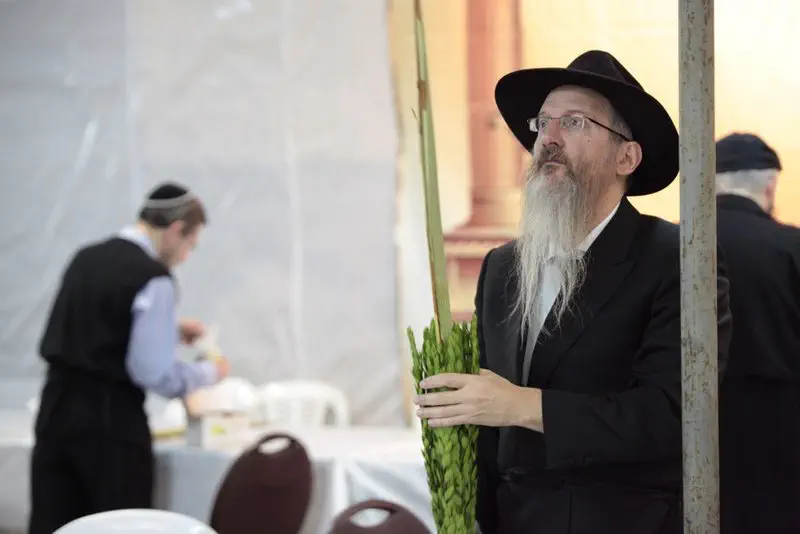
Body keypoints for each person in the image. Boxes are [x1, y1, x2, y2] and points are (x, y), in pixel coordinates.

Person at [414, 50, 732, 534]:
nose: (549, 138)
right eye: (543, 123)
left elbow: (671, 415)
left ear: (626, 157)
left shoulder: (677, 260)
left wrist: (523, 405)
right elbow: (488, 434)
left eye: (575, 122)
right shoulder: (502, 267)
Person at [28, 183, 230, 534]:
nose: (185, 257)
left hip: (55, 416)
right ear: (176, 230)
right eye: (190, 245)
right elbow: (153, 373)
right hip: (111, 426)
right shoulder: (153, 278)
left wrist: (169, 328)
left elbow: (93, 325)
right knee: (120, 526)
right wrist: (209, 372)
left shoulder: (85, 258)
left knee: (56, 523)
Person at [714, 133, 800, 534]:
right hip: (781, 427)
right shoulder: (791, 245)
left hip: (692, 421)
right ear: (769, 187)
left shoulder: (669, 243)